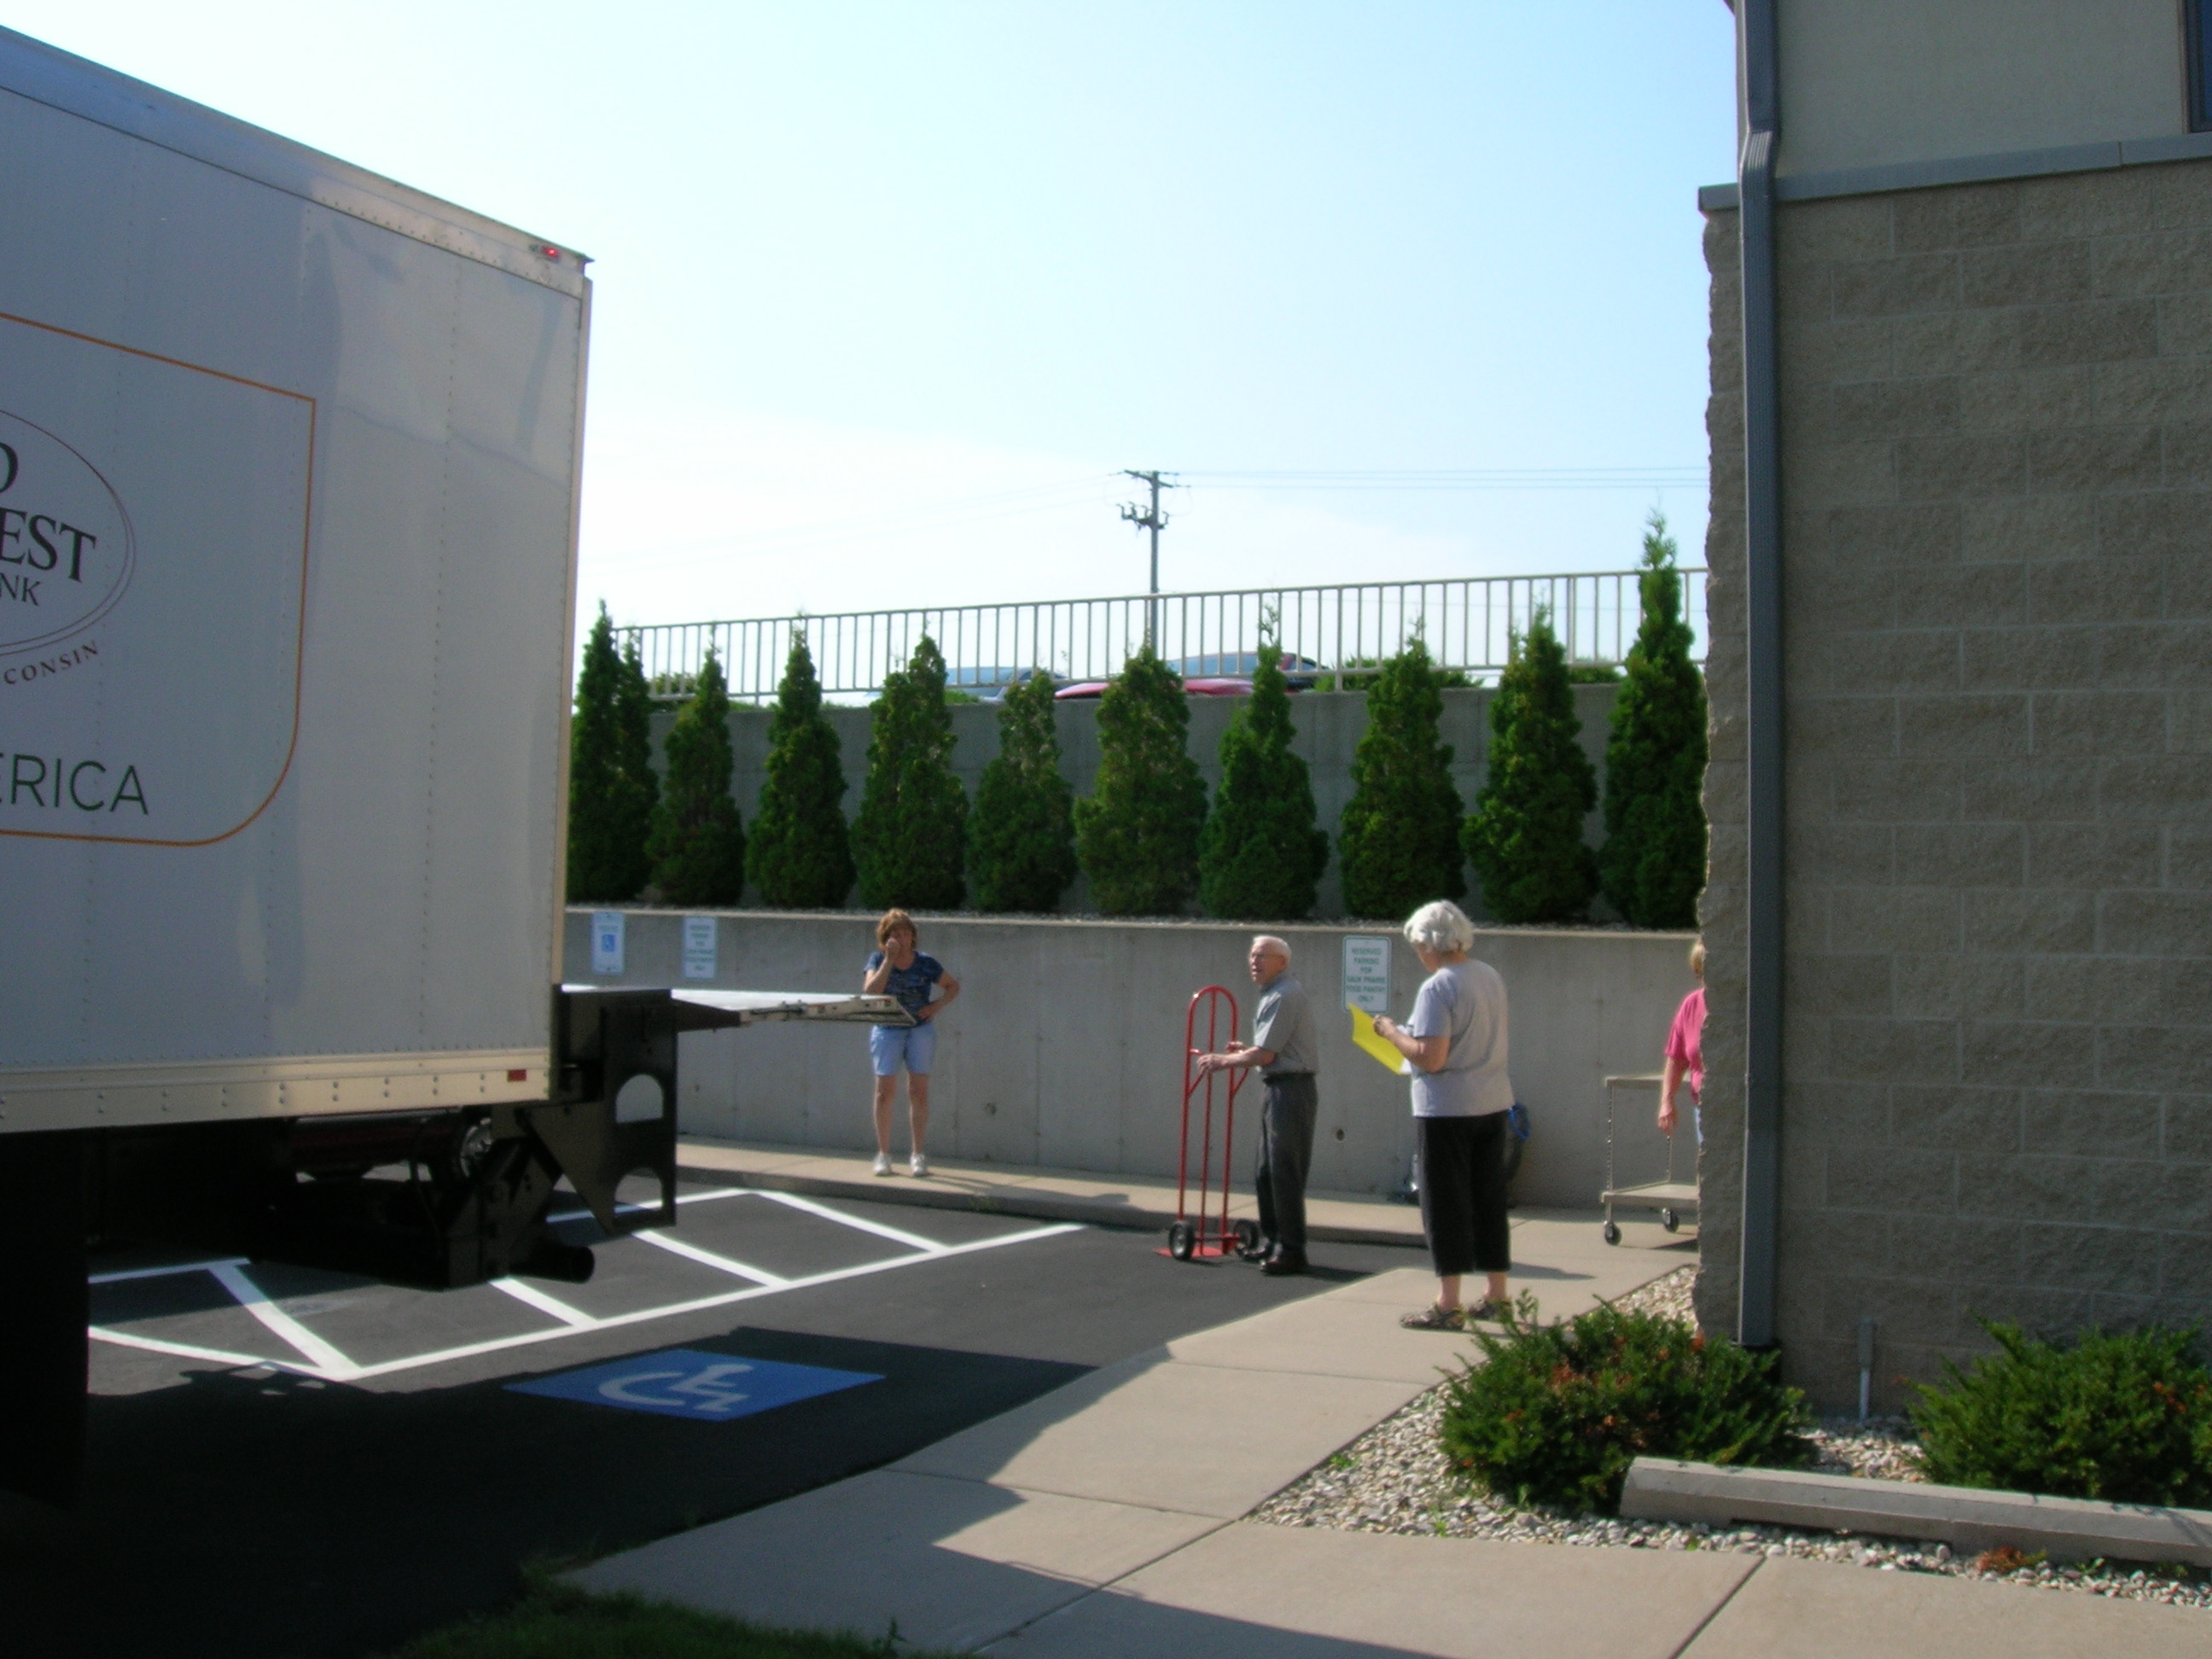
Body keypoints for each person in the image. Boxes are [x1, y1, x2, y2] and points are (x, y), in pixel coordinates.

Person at [1371, 899, 1512, 1330]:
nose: (1419, 954)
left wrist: (1392, 1031)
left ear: (1430, 943)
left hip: (1446, 1109)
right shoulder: (1488, 976)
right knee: (1489, 1199)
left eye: (1418, 946)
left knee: (1445, 1204)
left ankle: (1448, 1302)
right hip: (1492, 1101)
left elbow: (1430, 1058)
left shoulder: (1438, 987)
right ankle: (1497, 1294)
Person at [1190, 934, 1319, 1276]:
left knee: (1284, 1171)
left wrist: (1224, 1061)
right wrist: (1243, 1052)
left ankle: (1292, 1249)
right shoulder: (1273, 994)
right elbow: (1265, 1050)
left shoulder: (1285, 995)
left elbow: (1266, 1054)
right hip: (1276, 1085)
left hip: (1291, 1089)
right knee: (1266, 1172)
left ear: (1283, 962)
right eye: (1252, 955)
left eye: (1263, 955)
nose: (1254, 961)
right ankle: (1273, 1239)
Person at [861, 910, 960, 1177]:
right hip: (887, 1029)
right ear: (886, 937)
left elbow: (952, 986)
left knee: (918, 1091)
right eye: (895, 933)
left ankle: (918, 1154)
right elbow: (870, 992)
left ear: (912, 937)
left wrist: (935, 1007)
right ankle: (884, 1154)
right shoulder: (878, 959)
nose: (901, 938)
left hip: (919, 1029)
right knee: (884, 1091)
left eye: (905, 933)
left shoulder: (925, 963)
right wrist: (889, 961)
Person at [1659, 940, 1705, 1144]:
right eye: (1699, 973)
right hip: (1704, 1108)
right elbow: (1677, 1060)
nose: (1703, 979)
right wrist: (1667, 1101)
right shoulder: (1692, 1005)